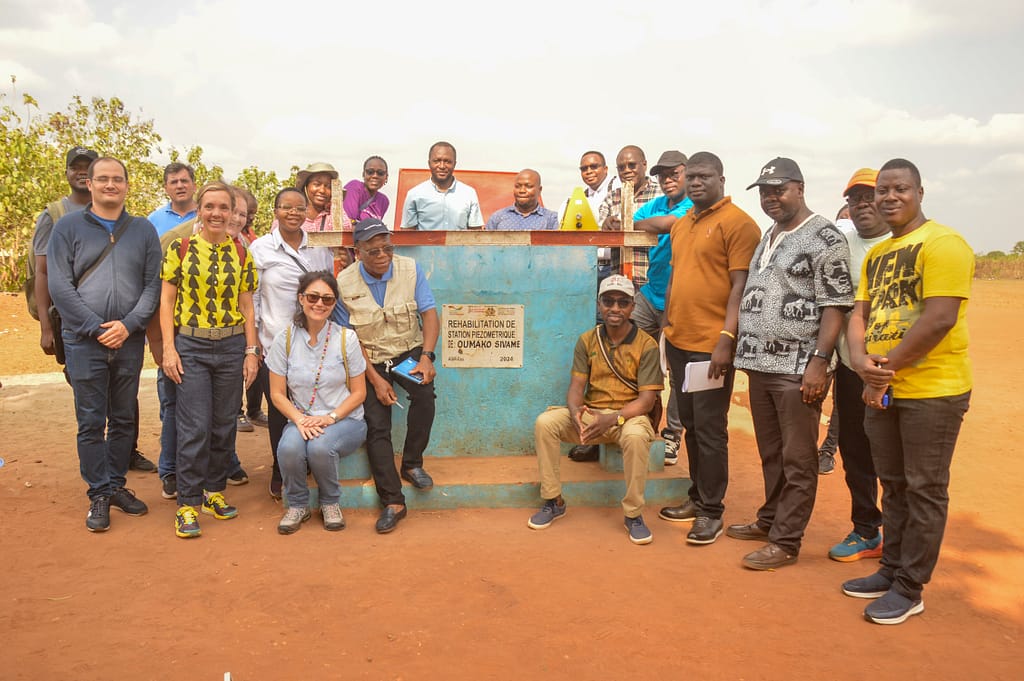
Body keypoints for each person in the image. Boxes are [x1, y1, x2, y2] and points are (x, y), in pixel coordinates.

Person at [841, 158, 973, 625]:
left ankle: (910, 587)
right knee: (892, 484)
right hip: (884, 387)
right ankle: (891, 567)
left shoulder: (944, 244)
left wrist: (886, 368)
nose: (889, 197)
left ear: (919, 191)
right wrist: (861, 364)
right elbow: (859, 315)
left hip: (933, 390)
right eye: (883, 190)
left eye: (900, 188)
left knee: (924, 488)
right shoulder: (877, 255)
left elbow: (939, 318)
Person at [727, 157, 854, 570]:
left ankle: (786, 541)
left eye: (778, 190)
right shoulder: (771, 233)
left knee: (799, 459)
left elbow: (835, 304)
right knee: (772, 453)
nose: (770, 198)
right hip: (760, 365)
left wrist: (820, 361)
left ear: (799, 187)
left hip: (798, 367)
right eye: (764, 192)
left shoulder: (824, 236)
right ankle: (769, 520)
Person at [46, 156, 163, 532]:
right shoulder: (66, 227)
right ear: (91, 185)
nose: (110, 185)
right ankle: (98, 491)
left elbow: (152, 285)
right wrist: (98, 328)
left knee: (125, 416)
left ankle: (116, 485)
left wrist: (128, 325)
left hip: (128, 341)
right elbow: (59, 286)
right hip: (83, 341)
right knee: (91, 420)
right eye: (103, 179)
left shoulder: (143, 230)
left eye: (117, 179)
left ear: (127, 185)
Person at [658, 152, 761, 545]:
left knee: (711, 430)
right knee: (690, 426)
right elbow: (676, 278)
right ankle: (696, 497)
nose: (696, 182)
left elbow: (740, 286)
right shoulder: (682, 225)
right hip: (681, 343)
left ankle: (711, 511)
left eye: (704, 176)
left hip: (710, 349)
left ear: (721, 178)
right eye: (692, 177)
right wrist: (667, 325)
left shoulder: (738, 224)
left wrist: (727, 339)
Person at [528, 275, 663, 545]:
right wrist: (576, 412)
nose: (615, 308)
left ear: (632, 307)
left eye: (622, 302)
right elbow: (576, 386)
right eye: (608, 301)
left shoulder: (647, 345)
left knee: (636, 438)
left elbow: (647, 401)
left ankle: (633, 514)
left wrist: (612, 418)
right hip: (593, 414)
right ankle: (553, 500)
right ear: (599, 304)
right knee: (546, 423)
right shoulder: (587, 340)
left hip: (629, 416)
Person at [160, 181, 260, 538]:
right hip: (192, 347)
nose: (217, 213)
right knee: (194, 427)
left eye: (224, 208)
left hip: (232, 347)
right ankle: (187, 504)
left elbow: (247, 305)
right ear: (199, 210)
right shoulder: (181, 248)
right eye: (210, 206)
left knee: (223, 425)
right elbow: (167, 302)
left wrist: (251, 351)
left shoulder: (242, 252)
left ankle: (213, 491)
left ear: (233, 212)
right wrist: (169, 349)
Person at [333, 218, 440, 534]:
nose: (382, 255)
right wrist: (376, 381)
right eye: (373, 250)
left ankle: (412, 464)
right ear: (358, 252)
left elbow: (429, 314)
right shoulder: (343, 283)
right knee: (376, 424)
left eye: (387, 248)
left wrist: (426, 357)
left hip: (408, 354)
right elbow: (350, 339)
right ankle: (393, 501)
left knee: (424, 394)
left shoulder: (410, 269)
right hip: (369, 360)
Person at [267, 271, 368, 534]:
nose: (319, 304)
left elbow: (359, 393)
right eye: (313, 296)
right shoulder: (285, 339)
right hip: (302, 418)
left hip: (344, 419)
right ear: (301, 298)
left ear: (334, 304)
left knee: (320, 447)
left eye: (327, 299)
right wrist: (300, 420)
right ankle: (297, 504)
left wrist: (330, 418)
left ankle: (330, 502)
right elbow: (277, 393)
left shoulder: (346, 339)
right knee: (288, 447)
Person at [251, 188, 335, 499]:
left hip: (314, 341)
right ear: (275, 211)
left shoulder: (319, 249)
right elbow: (255, 298)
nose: (293, 213)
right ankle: (280, 467)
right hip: (275, 341)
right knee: (279, 407)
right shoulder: (260, 248)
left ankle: (309, 460)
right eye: (286, 207)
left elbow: (327, 292)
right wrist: (256, 340)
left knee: (312, 401)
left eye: (299, 208)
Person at [825, 169, 891, 562]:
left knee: (895, 456)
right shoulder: (841, 239)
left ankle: (900, 537)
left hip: (899, 371)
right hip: (852, 368)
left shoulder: (903, 242)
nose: (863, 204)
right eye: (855, 198)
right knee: (855, 450)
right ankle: (867, 529)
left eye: (871, 196)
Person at [627, 150, 694, 467]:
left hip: (680, 300)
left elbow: (668, 224)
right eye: (662, 175)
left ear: (687, 173)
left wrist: (648, 224)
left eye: (673, 173)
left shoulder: (693, 204)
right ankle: (634, 422)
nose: (667, 179)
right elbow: (635, 220)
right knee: (632, 355)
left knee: (677, 370)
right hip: (651, 293)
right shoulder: (657, 203)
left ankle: (672, 435)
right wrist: (645, 223)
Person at [598, 145, 663, 286]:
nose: (627, 170)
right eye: (621, 167)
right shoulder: (612, 197)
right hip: (619, 285)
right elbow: (600, 237)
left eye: (632, 165)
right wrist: (606, 226)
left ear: (644, 165)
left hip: (652, 282)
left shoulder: (661, 194)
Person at [401, 141, 483, 230]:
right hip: (425, 244)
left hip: (459, 244)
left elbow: (475, 234)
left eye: (447, 161)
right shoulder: (414, 194)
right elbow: (407, 233)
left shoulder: (468, 193)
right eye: (437, 161)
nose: (442, 166)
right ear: (429, 163)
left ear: (454, 164)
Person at [484, 169, 559, 230]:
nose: (522, 190)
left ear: (539, 190)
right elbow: (484, 246)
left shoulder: (552, 219)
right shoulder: (498, 217)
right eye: (518, 186)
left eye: (528, 186)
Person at [294, 162, 351, 233]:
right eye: (317, 184)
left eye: (328, 187)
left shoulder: (331, 217)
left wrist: (335, 205)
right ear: (306, 187)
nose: (322, 190)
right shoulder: (293, 215)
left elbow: (345, 232)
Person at [148, 163, 198, 237]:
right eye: (174, 182)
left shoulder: (207, 216)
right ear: (166, 189)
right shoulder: (153, 220)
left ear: (194, 186)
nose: (179, 186)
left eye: (184, 181)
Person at [343, 156, 390, 222]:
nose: (375, 176)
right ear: (363, 174)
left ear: (386, 177)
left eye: (380, 173)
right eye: (370, 172)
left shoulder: (383, 201)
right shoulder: (354, 187)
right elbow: (349, 223)